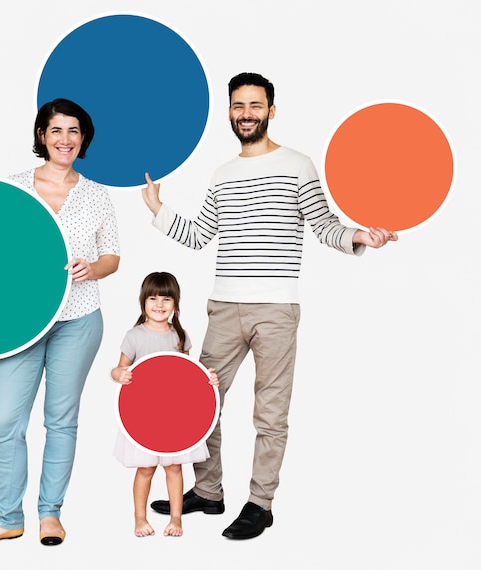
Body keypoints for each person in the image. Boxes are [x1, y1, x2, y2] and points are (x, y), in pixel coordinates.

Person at [141, 72, 398, 540]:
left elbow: (323, 225)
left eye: (255, 105)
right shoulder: (222, 174)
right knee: (201, 402)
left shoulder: (298, 165)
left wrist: (358, 235)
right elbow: (200, 236)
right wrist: (158, 210)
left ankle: (260, 503)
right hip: (224, 305)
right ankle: (210, 491)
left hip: (276, 310)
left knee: (270, 413)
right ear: (229, 112)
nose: (246, 114)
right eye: (238, 105)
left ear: (271, 110)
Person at [0, 98, 120, 549]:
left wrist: (95, 267)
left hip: (79, 319)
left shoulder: (95, 194)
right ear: (41, 137)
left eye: (73, 130)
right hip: (20, 322)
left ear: (82, 137)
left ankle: (50, 515)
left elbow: (113, 255)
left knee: (61, 420)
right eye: (55, 130)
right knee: (6, 420)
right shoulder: (12, 189)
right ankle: (7, 517)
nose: (64, 139)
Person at [110, 272, 218, 538]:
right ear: (143, 302)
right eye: (153, 298)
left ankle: (176, 519)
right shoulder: (134, 336)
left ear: (175, 303)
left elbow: (188, 375)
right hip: (142, 416)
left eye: (166, 299)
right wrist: (119, 374)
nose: (159, 304)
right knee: (145, 469)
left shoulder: (179, 336)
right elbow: (118, 369)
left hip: (173, 417)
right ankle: (139, 518)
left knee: (173, 467)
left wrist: (208, 379)